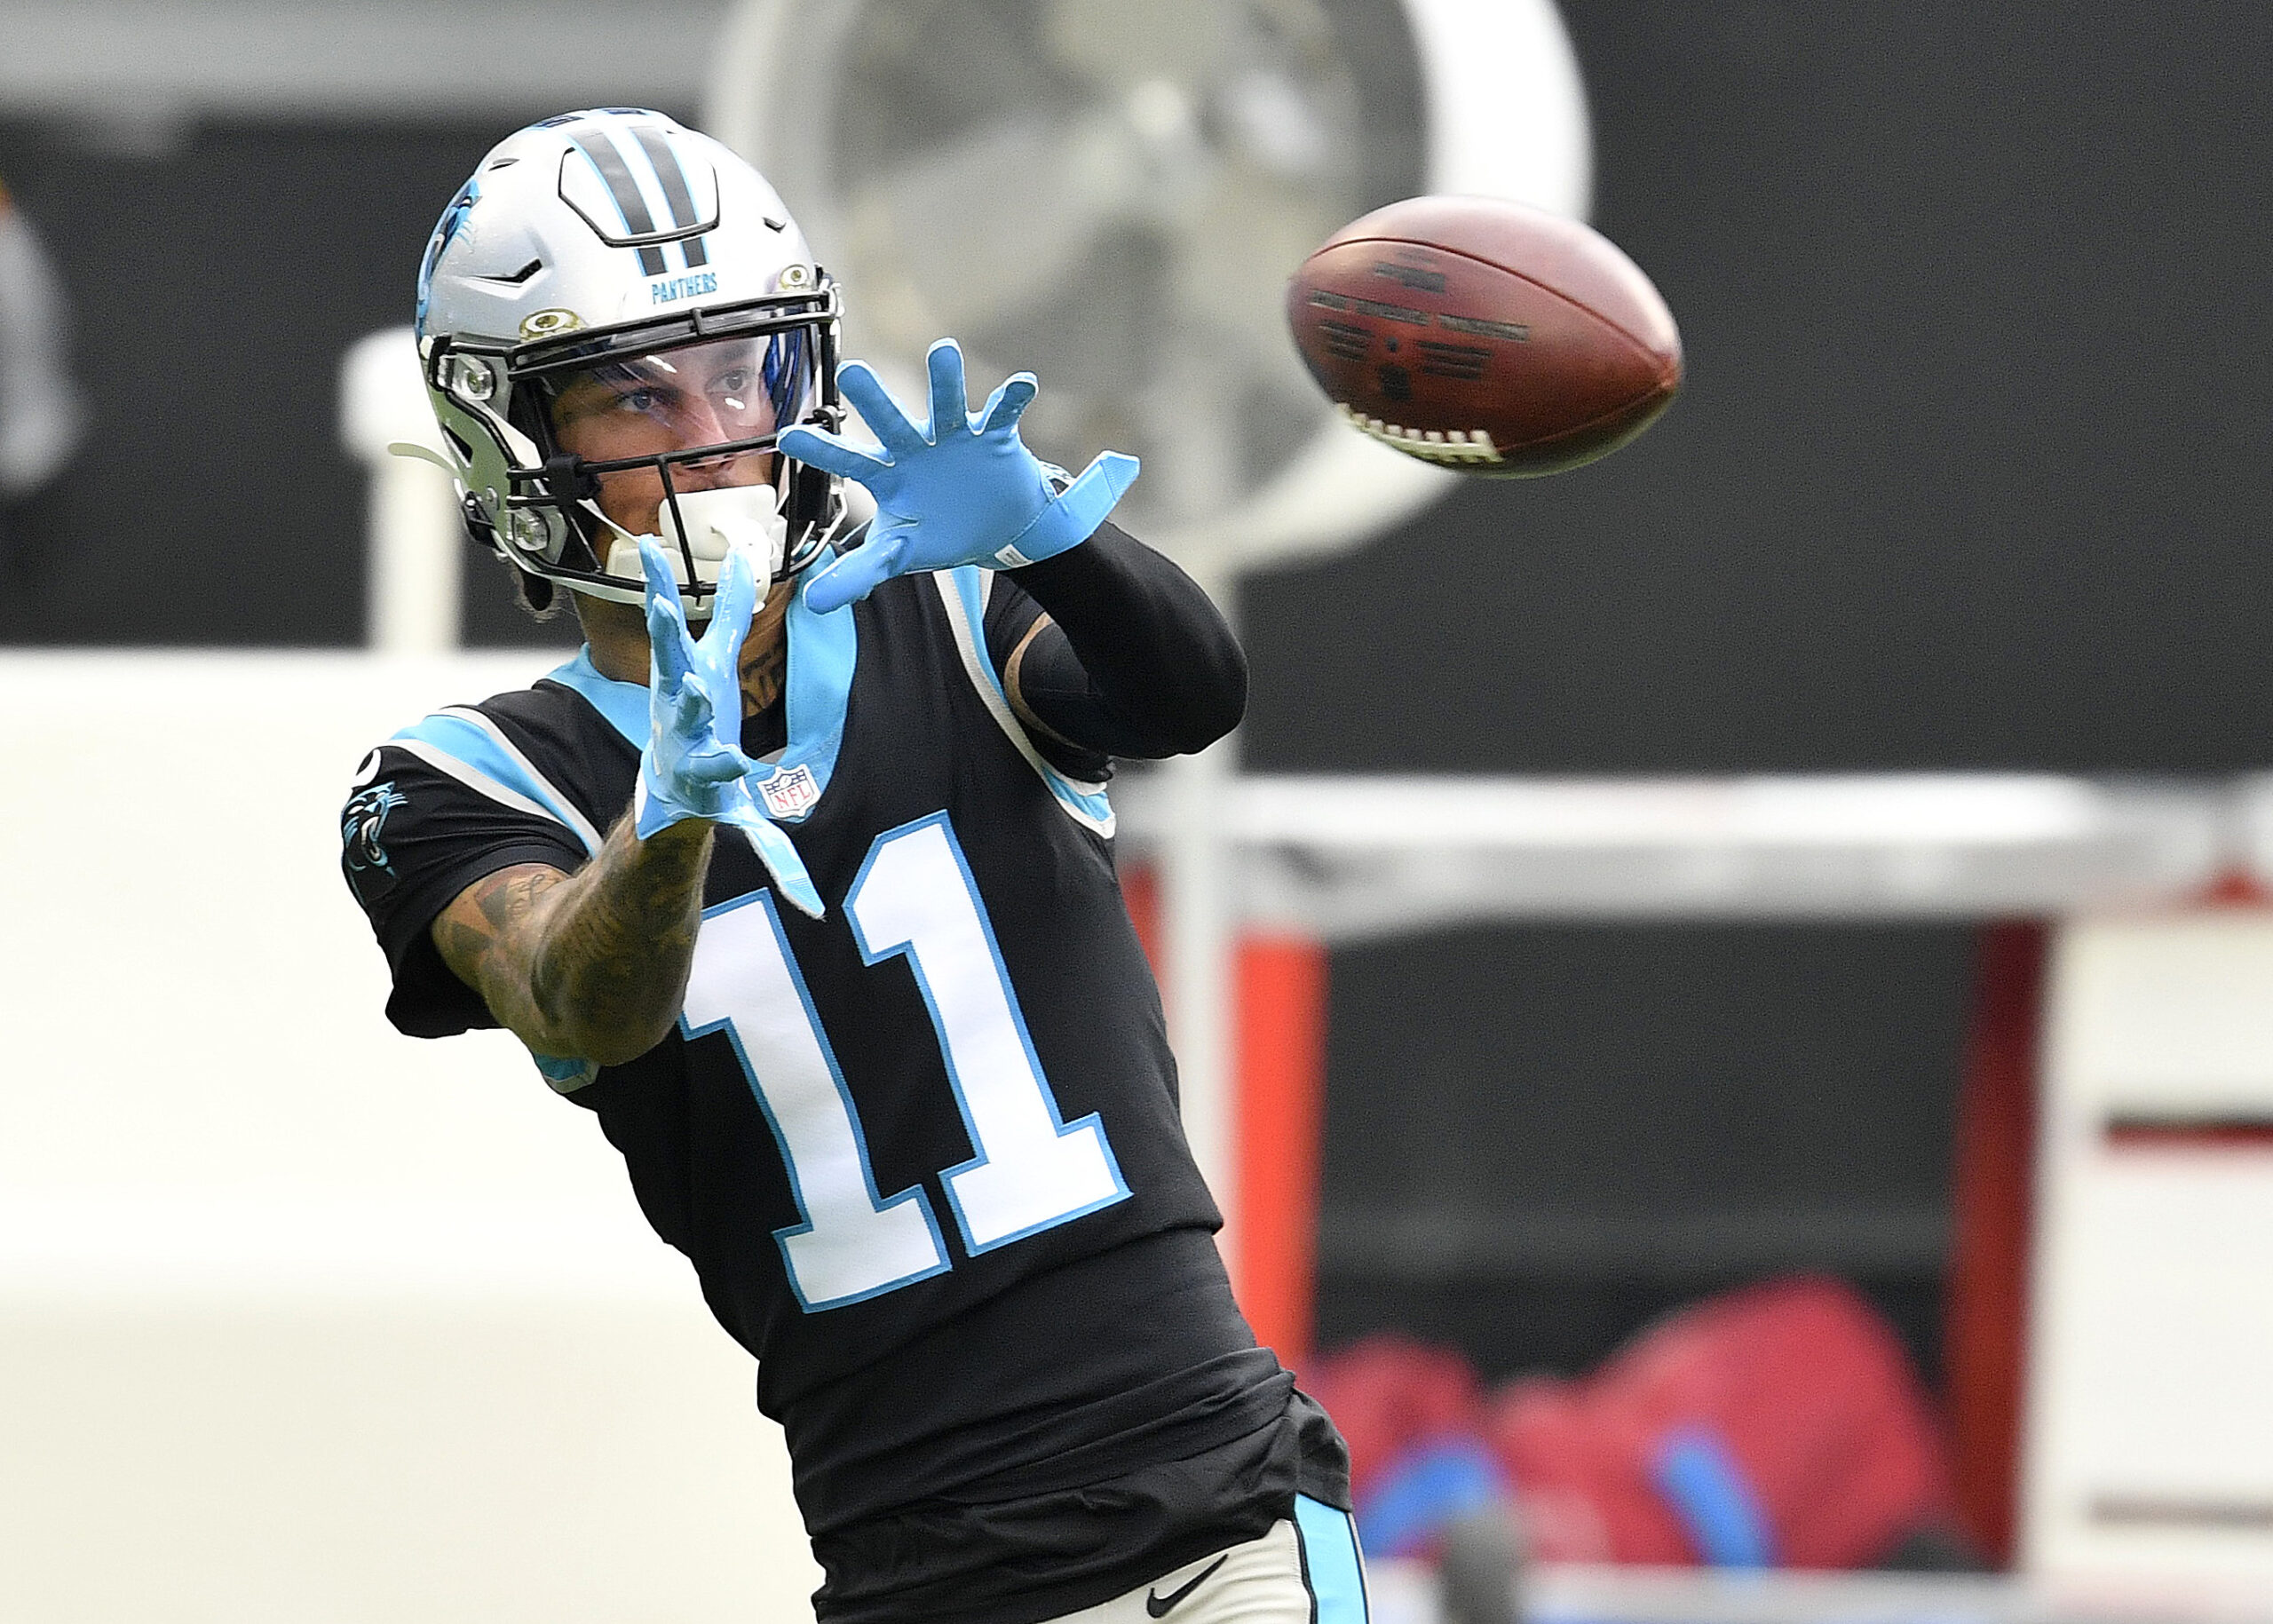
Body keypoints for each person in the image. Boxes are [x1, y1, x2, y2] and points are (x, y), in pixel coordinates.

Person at [339, 109, 1363, 1624]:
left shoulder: (936, 609)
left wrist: (1041, 534)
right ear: (515, 438)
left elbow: (1183, 699)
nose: (712, 431)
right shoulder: (464, 781)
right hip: (916, 1573)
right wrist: (673, 806)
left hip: (1218, 1515)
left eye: (743, 368)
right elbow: (577, 1001)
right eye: (635, 392)